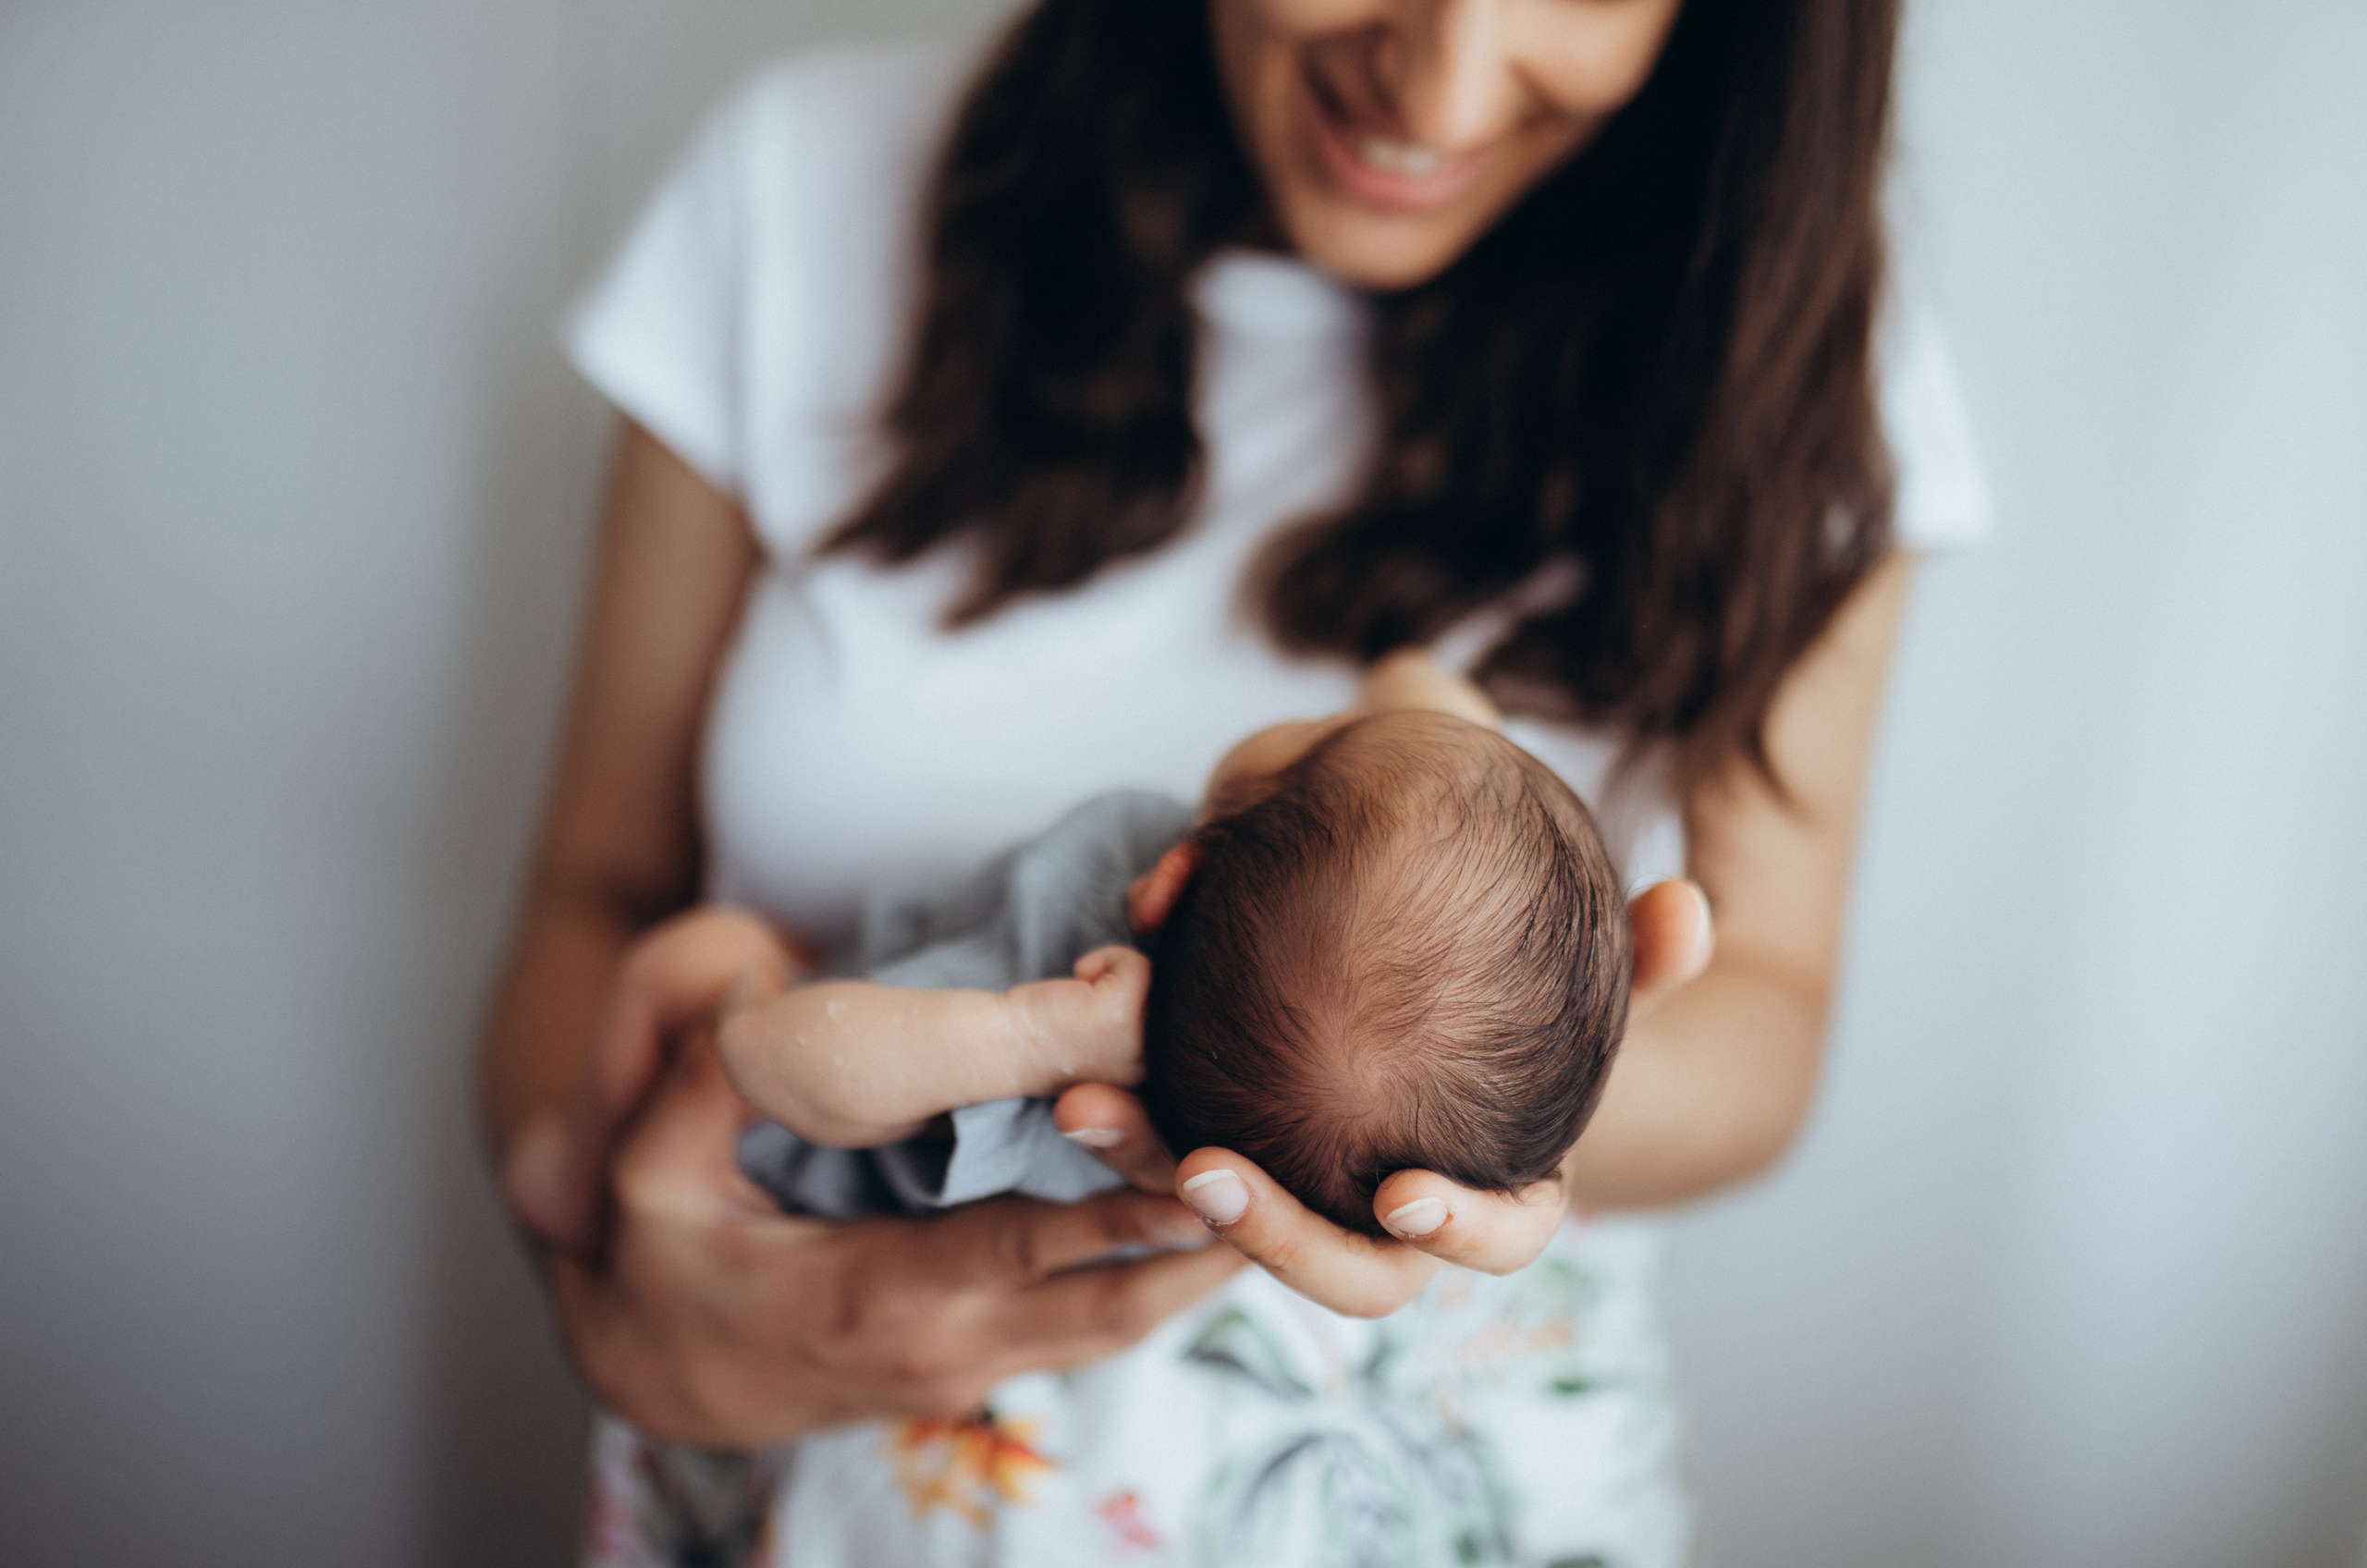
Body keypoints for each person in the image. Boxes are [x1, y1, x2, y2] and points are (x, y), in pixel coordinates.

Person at [479, 0, 1987, 1562]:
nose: (1445, 83)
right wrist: (611, 1285)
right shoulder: (799, 188)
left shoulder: (1792, 349)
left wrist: (1518, 1098)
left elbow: (1767, 1015)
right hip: (795, 1471)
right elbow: (594, 903)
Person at [546, 649, 1628, 1243]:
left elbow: (763, 1062)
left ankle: (576, 1172)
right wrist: (1452, 753)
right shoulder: (1251, 975)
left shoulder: (1059, 1034)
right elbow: (1418, 687)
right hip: (865, 972)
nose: (1321, 715)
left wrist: (1020, 1032)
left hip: (785, 1153)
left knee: (693, 955)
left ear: (1173, 877)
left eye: (1317, 741)